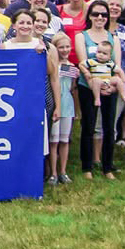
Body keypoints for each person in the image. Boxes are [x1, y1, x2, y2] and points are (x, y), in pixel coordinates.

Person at [75, 0, 120, 179]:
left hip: (109, 87)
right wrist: (94, 83)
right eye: (96, 14)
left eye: (104, 14)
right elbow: (82, 63)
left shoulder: (113, 38)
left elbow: (116, 65)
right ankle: (87, 166)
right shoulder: (81, 36)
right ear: (90, 16)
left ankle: (107, 167)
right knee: (89, 125)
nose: (100, 17)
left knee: (109, 126)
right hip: (88, 87)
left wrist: (111, 86)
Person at [50, 33, 77, 184]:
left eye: (67, 47)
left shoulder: (71, 66)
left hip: (68, 104)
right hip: (55, 103)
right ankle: (53, 172)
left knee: (64, 139)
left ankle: (63, 171)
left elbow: (72, 87)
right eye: (61, 47)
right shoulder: (52, 64)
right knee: (53, 140)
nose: (65, 50)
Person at [84, 40, 125, 107]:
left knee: (117, 79)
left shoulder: (110, 63)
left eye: (104, 53)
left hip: (108, 80)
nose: (101, 55)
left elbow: (120, 71)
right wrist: (86, 72)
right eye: (99, 52)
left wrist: (123, 80)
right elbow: (81, 64)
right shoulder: (92, 61)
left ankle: (123, 95)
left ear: (109, 56)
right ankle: (97, 98)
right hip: (97, 81)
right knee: (96, 80)